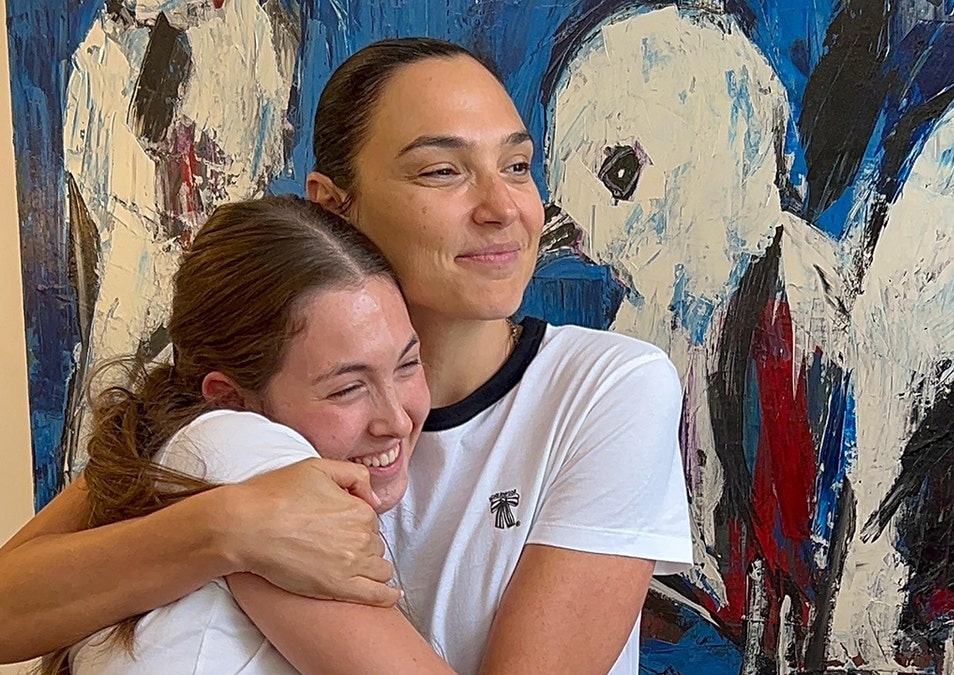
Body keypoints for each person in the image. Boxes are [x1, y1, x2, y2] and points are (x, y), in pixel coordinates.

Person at [0, 37, 693, 675]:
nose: (502, 207)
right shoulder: (245, 414)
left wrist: (229, 528)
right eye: (443, 171)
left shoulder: (609, 388)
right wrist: (227, 527)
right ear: (334, 206)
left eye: (517, 166)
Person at [45, 195, 444, 674]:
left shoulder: (176, 451)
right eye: (347, 389)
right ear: (229, 398)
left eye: (407, 364)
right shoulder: (240, 451)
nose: (396, 420)